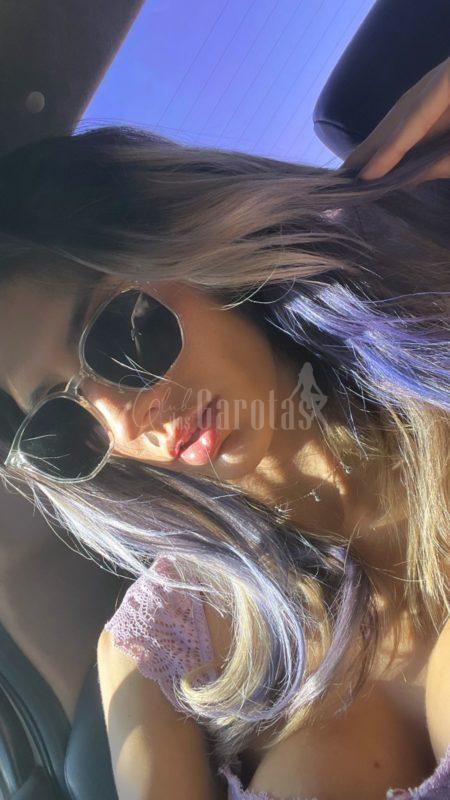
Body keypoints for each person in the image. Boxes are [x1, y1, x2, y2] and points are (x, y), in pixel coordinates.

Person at [0, 58, 449, 800]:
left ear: (192, 252)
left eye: (118, 330)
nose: (123, 417)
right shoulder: (155, 652)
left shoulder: (433, 343)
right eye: (62, 414)